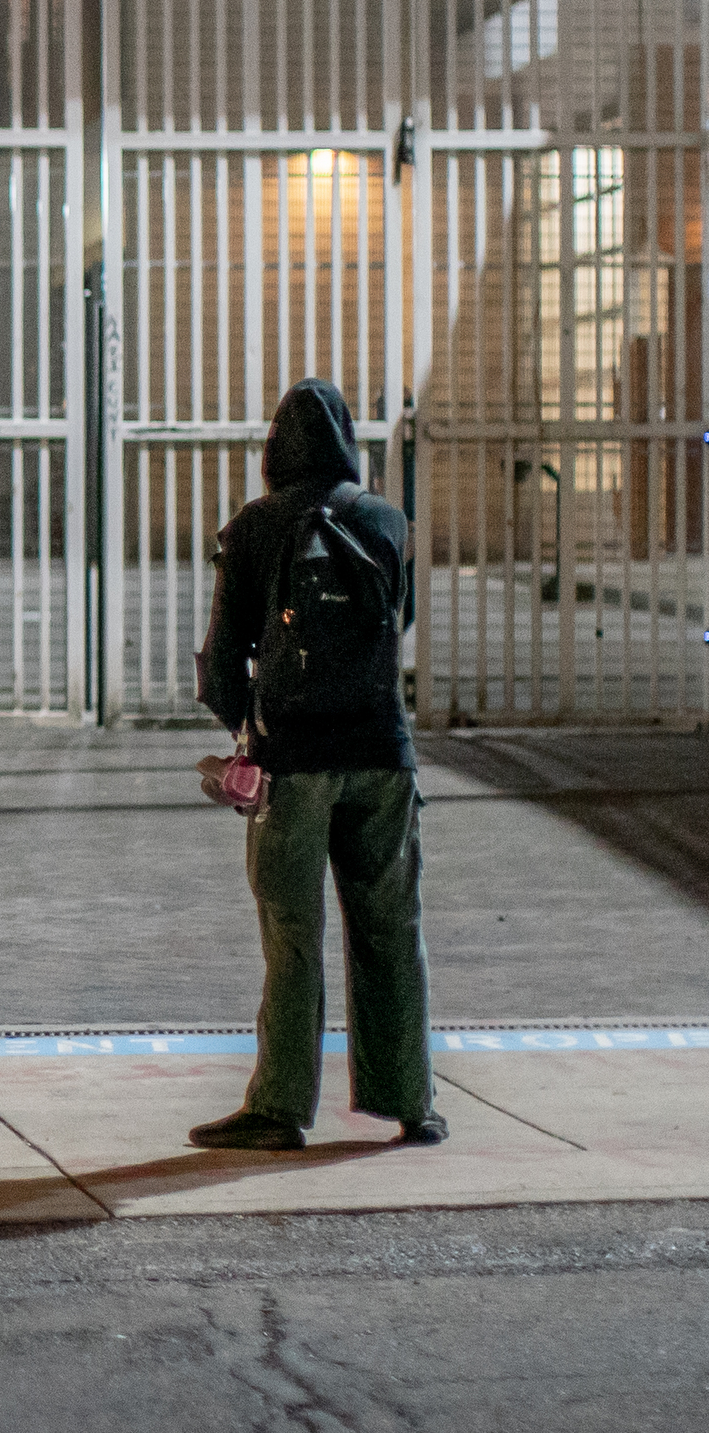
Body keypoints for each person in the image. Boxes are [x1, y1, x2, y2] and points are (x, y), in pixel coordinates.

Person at [192, 377, 444, 1152]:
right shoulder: (387, 524)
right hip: (381, 760)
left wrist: (247, 732)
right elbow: (392, 621)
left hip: (293, 765)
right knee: (391, 931)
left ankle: (278, 1109)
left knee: (293, 937)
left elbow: (219, 664)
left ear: (275, 447)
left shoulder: (254, 529)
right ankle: (411, 1103)